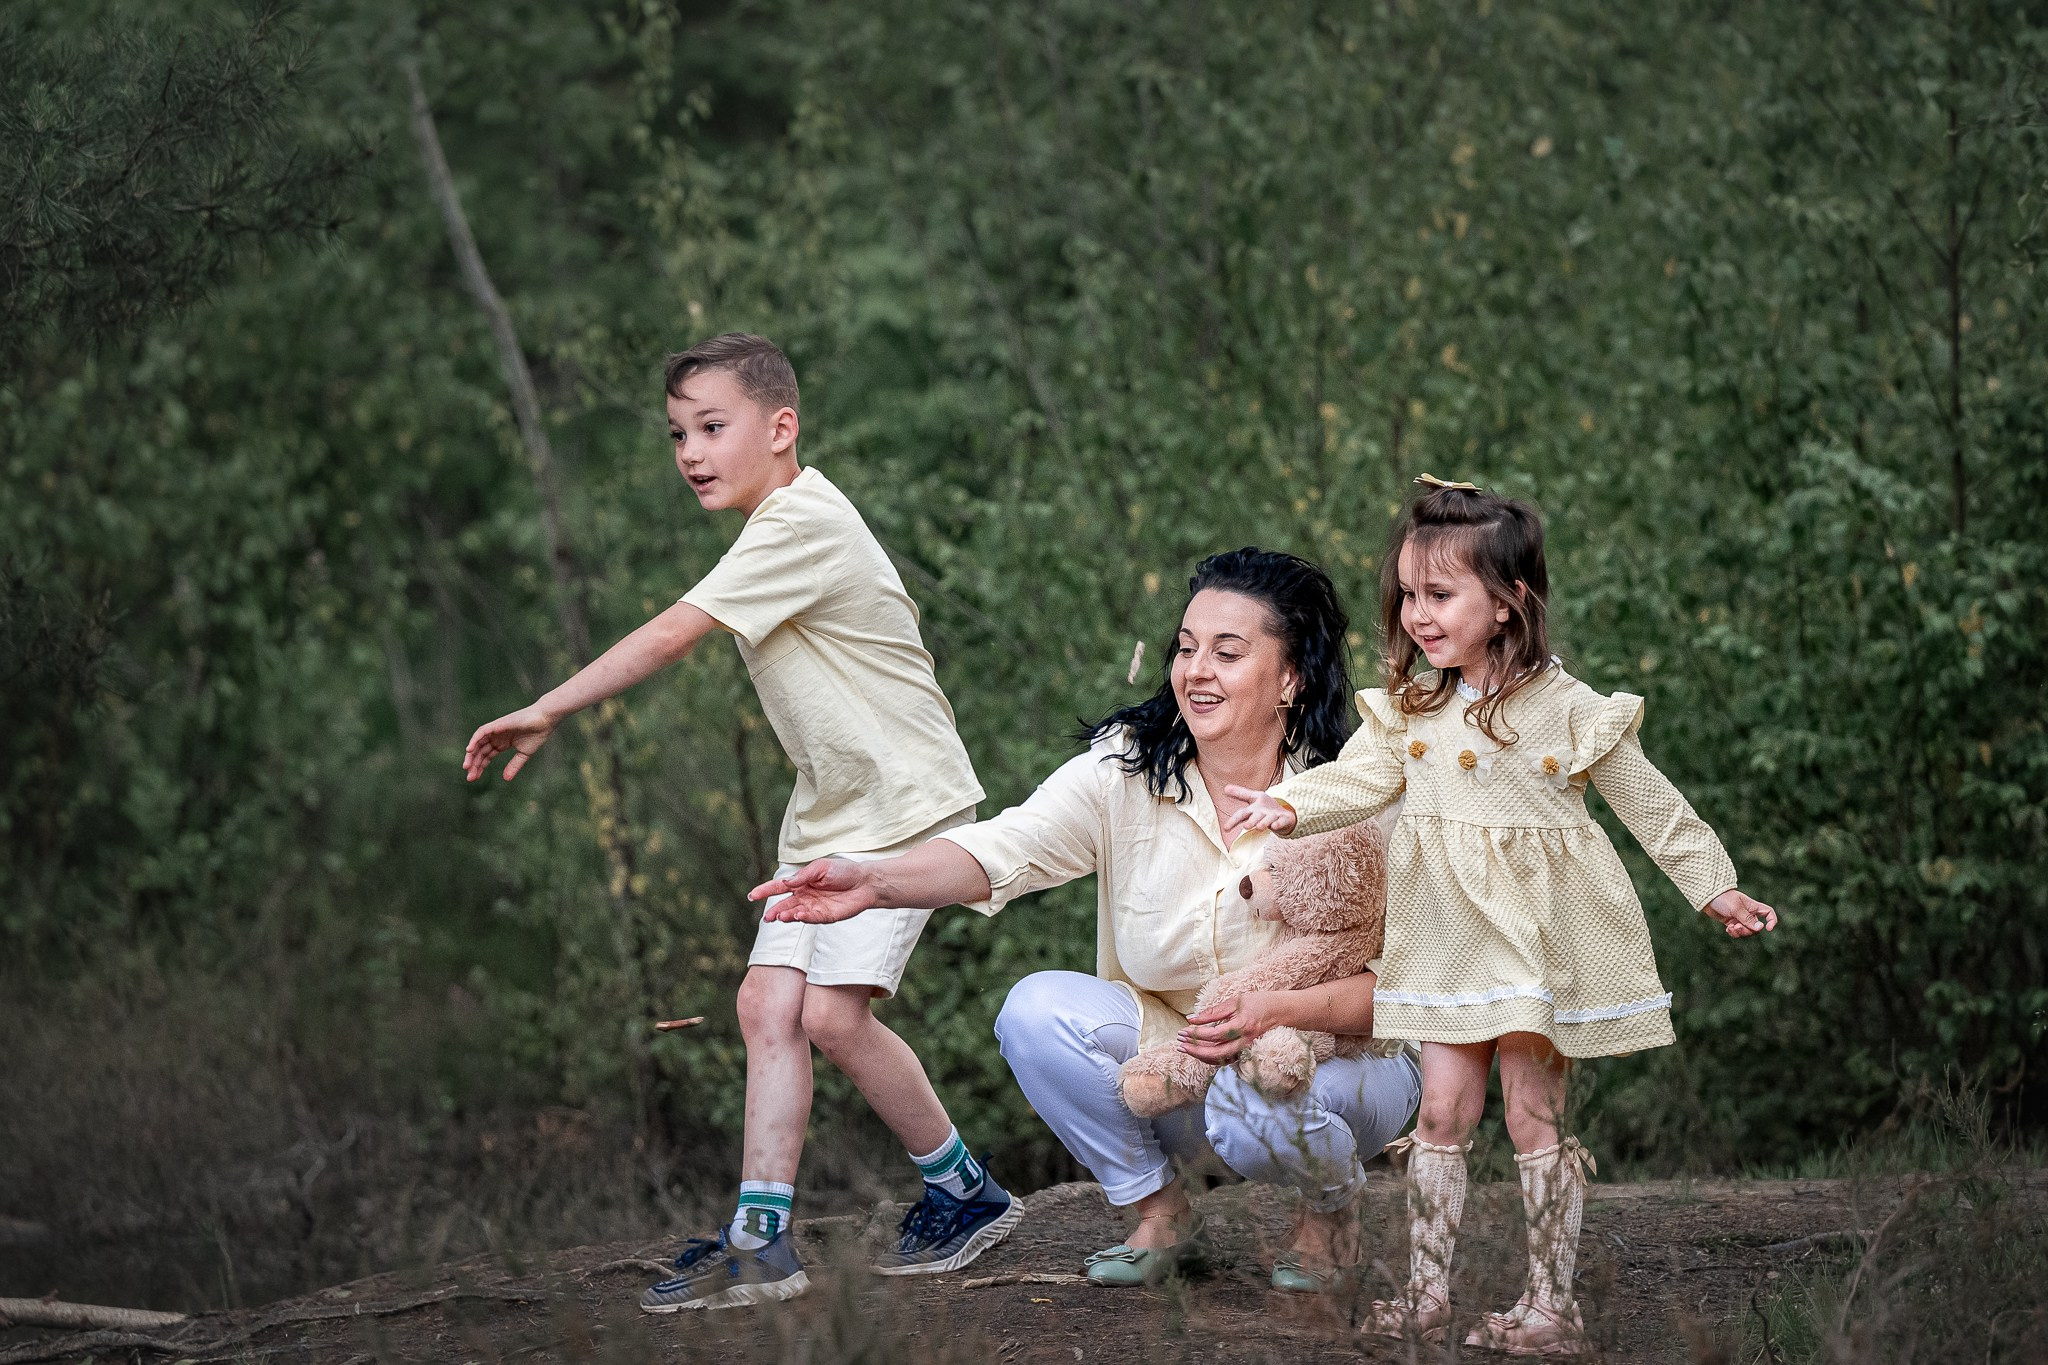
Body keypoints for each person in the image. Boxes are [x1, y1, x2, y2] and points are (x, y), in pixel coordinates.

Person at [461, 333, 1020, 1312]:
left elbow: (676, 630)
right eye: (678, 432)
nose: (689, 451)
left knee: (830, 1016)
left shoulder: (799, 523)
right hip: (833, 812)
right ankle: (761, 1241)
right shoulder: (772, 527)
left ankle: (964, 1193)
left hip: (901, 806)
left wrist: (550, 704)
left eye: (712, 428)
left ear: (780, 427)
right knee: (766, 1006)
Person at [755, 548, 1423, 1293]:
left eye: (1227, 653)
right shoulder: (1129, 766)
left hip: (1339, 1062)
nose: (1196, 669)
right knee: (1035, 1011)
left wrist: (1273, 1008)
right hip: (1180, 1061)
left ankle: (1331, 1210)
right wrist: (875, 879)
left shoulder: (1361, 784)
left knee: (1255, 1102)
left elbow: (1401, 989)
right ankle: (1160, 1211)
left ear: (1291, 676)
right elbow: (1006, 845)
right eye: (1186, 647)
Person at [1225, 475, 1780, 1353]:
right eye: (1407, 594)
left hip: (1537, 942)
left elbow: (1649, 801)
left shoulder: (1565, 706)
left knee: (1532, 1114)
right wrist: (1288, 806)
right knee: (1441, 1112)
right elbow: (1360, 778)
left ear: (1510, 602)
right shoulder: (1413, 707)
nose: (1417, 613)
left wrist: (1714, 884)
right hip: (1447, 941)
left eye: (1439, 594)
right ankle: (1427, 1290)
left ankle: (1553, 1304)